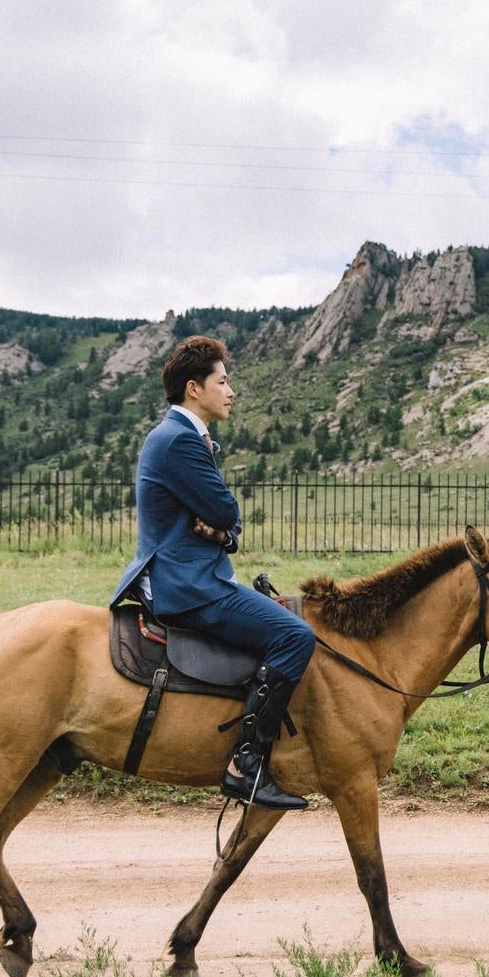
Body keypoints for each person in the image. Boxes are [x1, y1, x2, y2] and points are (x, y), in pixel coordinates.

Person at [110, 335, 315, 810]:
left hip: (190, 573)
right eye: (222, 381)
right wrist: (222, 526)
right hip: (188, 586)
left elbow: (225, 523)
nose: (231, 390)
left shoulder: (179, 437)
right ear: (193, 388)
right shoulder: (180, 441)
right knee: (296, 637)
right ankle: (246, 764)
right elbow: (225, 509)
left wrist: (222, 533)